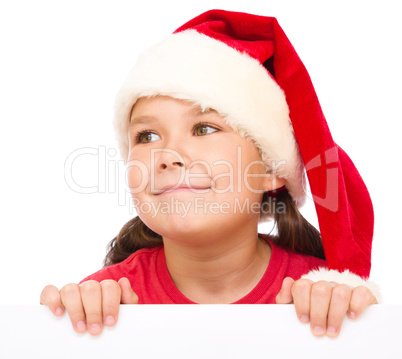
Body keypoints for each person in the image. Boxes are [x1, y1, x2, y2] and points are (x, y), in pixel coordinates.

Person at [40, 9, 380, 338]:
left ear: (272, 169)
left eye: (203, 128)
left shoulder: (323, 300)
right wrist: (67, 328)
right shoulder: (104, 304)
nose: (168, 156)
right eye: (147, 137)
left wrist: (358, 319)